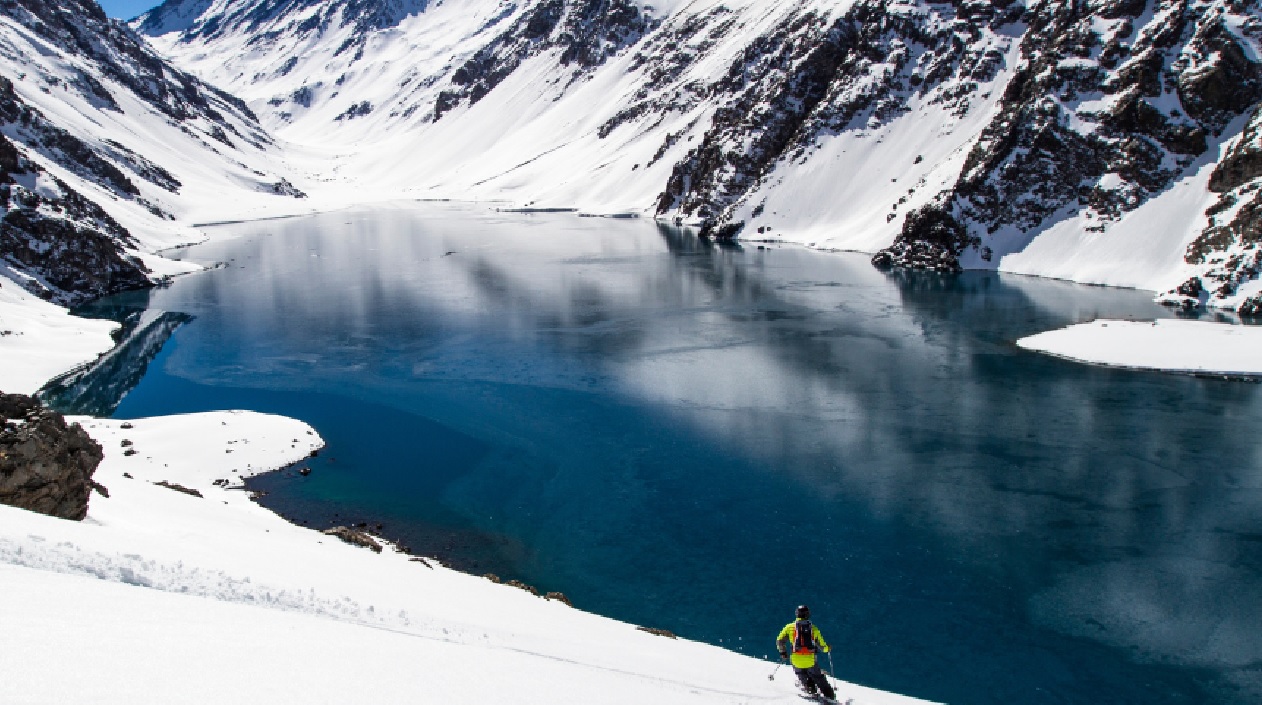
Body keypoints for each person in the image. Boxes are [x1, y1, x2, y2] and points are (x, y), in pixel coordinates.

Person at [776, 605, 836, 700]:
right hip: (810, 660)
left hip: (796, 659)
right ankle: (830, 697)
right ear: (808, 614)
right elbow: (823, 647)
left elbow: (779, 641)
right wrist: (828, 648)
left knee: (802, 675)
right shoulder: (813, 629)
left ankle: (811, 690)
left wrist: (783, 652)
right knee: (819, 678)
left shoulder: (790, 627)